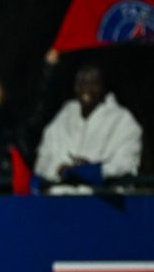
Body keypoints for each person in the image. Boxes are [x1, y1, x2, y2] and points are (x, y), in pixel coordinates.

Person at [33, 60, 143, 194]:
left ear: (103, 86)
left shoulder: (123, 121)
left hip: (99, 205)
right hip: (59, 204)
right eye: (81, 82)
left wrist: (91, 171)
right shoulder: (64, 116)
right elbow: (43, 159)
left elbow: (126, 166)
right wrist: (58, 170)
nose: (85, 88)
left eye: (93, 83)